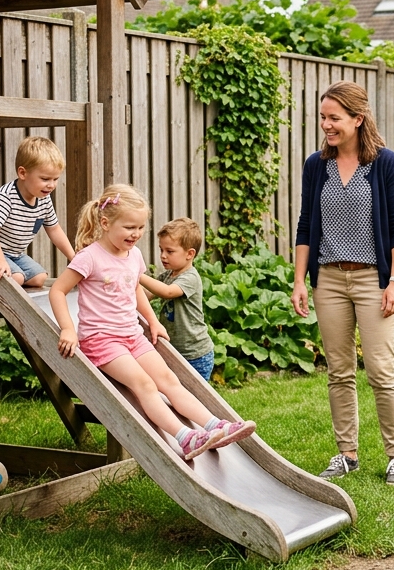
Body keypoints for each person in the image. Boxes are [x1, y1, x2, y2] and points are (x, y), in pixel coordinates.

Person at [49, 185, 254, 461]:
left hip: (132, 335)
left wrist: (153, 321)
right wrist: (68, 329)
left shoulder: (133, 255)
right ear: (105, 223)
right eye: (129, 227)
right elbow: (57, 290)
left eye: (141, 227)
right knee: (144, 384)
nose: (135, 234)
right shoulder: (90, 258)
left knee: (169, 379)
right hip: (103, 341)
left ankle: (215, 426)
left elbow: (134, 288)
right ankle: (184, 438)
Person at [291, 81, 394, 486]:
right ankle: (347, 454)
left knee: (381, 370)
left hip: (373, 281)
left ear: (358, 119)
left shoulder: (385, 164)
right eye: (323, 117)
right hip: (328, 278)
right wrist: (300, 282)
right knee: (339, 371)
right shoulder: (316, 165)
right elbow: (306, 225)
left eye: (334, 118)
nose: (326, 125)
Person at [0, 135, 76, 289]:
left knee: (39, 277)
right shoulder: (6, 197)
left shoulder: (43, 198)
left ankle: (0, 272)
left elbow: (54, 229)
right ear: (23, 173)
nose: (51, 185)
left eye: (55, 179)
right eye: (45, 179)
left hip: (13, 253)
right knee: (16, 278)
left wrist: (74, 258)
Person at [139, 218, 215, 381]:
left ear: (190, 254)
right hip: (173, 351)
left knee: (197, 399)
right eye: (161, 250)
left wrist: (137, 275)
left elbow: (167, 292)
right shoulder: (167, 275)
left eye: (169, 251)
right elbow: (147, 295)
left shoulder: (190, 277)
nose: (163, 256)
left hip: (196, 354)